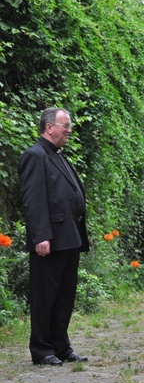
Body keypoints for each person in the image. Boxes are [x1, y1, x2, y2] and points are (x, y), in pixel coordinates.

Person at [19, 108, 90, 366]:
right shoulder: (35, 156)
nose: (69, 129)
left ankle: (61, 346)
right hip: (50, 239)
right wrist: (41, 236)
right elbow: (34, 200)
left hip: (69, 236)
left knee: (64, 295)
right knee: (44, 295)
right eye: (65, 125)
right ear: (49, 127)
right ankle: (41, 349)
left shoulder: (58, 156)